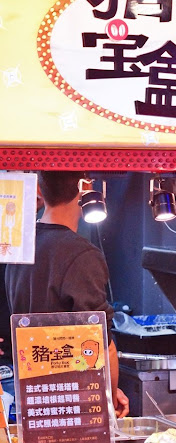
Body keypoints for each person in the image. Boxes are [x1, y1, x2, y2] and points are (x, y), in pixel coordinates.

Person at [5, 171, 129, 418]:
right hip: (71, 403)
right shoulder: (82, 254)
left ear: (39, 190)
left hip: (30, 396)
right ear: (85, 187)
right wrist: (108, 398)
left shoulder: (19, 246)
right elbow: (101, 343)